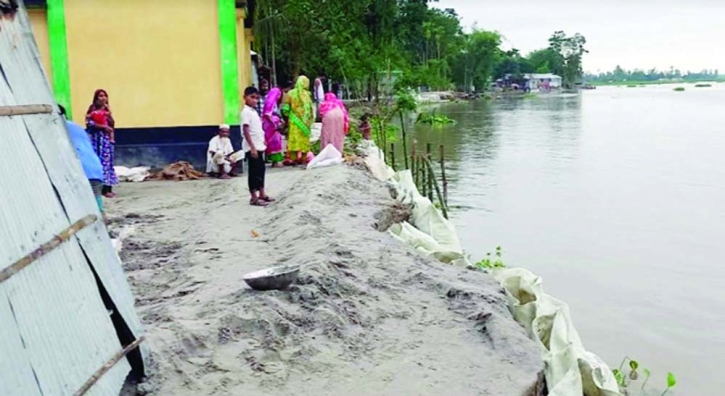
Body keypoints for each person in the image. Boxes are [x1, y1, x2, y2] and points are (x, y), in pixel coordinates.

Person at [60, 105, 105, 213]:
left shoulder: (61, 128)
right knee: (96, 203)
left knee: (89, 209)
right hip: (95, 167)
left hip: (82, 170)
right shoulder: (77, 127)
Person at [241, 86, 274, 206]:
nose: (254, 100)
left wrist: (263, 140)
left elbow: (258, 129)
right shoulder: (245, 112)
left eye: (256, 98)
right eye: (252, 97)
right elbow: (246, 130)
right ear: (245, 97)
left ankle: (262, 193)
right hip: (252, 147)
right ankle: (253, 197)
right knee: (253, 172)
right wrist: (252, 147)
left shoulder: (254, 112)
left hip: (259, 145)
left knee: (261, 170)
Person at [86, 89, 118, 198]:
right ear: (96, 98)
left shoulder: (107, 110)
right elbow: (89, 123)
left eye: (105, 96)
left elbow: (112, 124)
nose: (103, 98)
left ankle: (108, 188)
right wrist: (103, 127)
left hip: (106, 140)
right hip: (96, 139)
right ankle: (98, 188)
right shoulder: (92, 110)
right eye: (100, 96)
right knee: (97, 162)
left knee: (107, 163)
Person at [282, 76, 314, 165]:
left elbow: (285, 109)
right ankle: (303, 160)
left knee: (294, 140)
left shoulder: (290, 93)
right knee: (304, 141)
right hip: (305, 123)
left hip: (294, 121)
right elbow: (310, 109)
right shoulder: (308, 94)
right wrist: (310, 120)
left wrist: (288, 116)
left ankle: (294, 160)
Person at [262, 87, 285, 168]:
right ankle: (275, 161)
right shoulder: (270, 102)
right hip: (271, 126)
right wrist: (274, 124)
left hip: (273, 125)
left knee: (276, 142)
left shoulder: (273, 102)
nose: (279, 96)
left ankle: (275, 161)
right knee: (275, 143)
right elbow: (268, 115)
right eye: (278, 94)